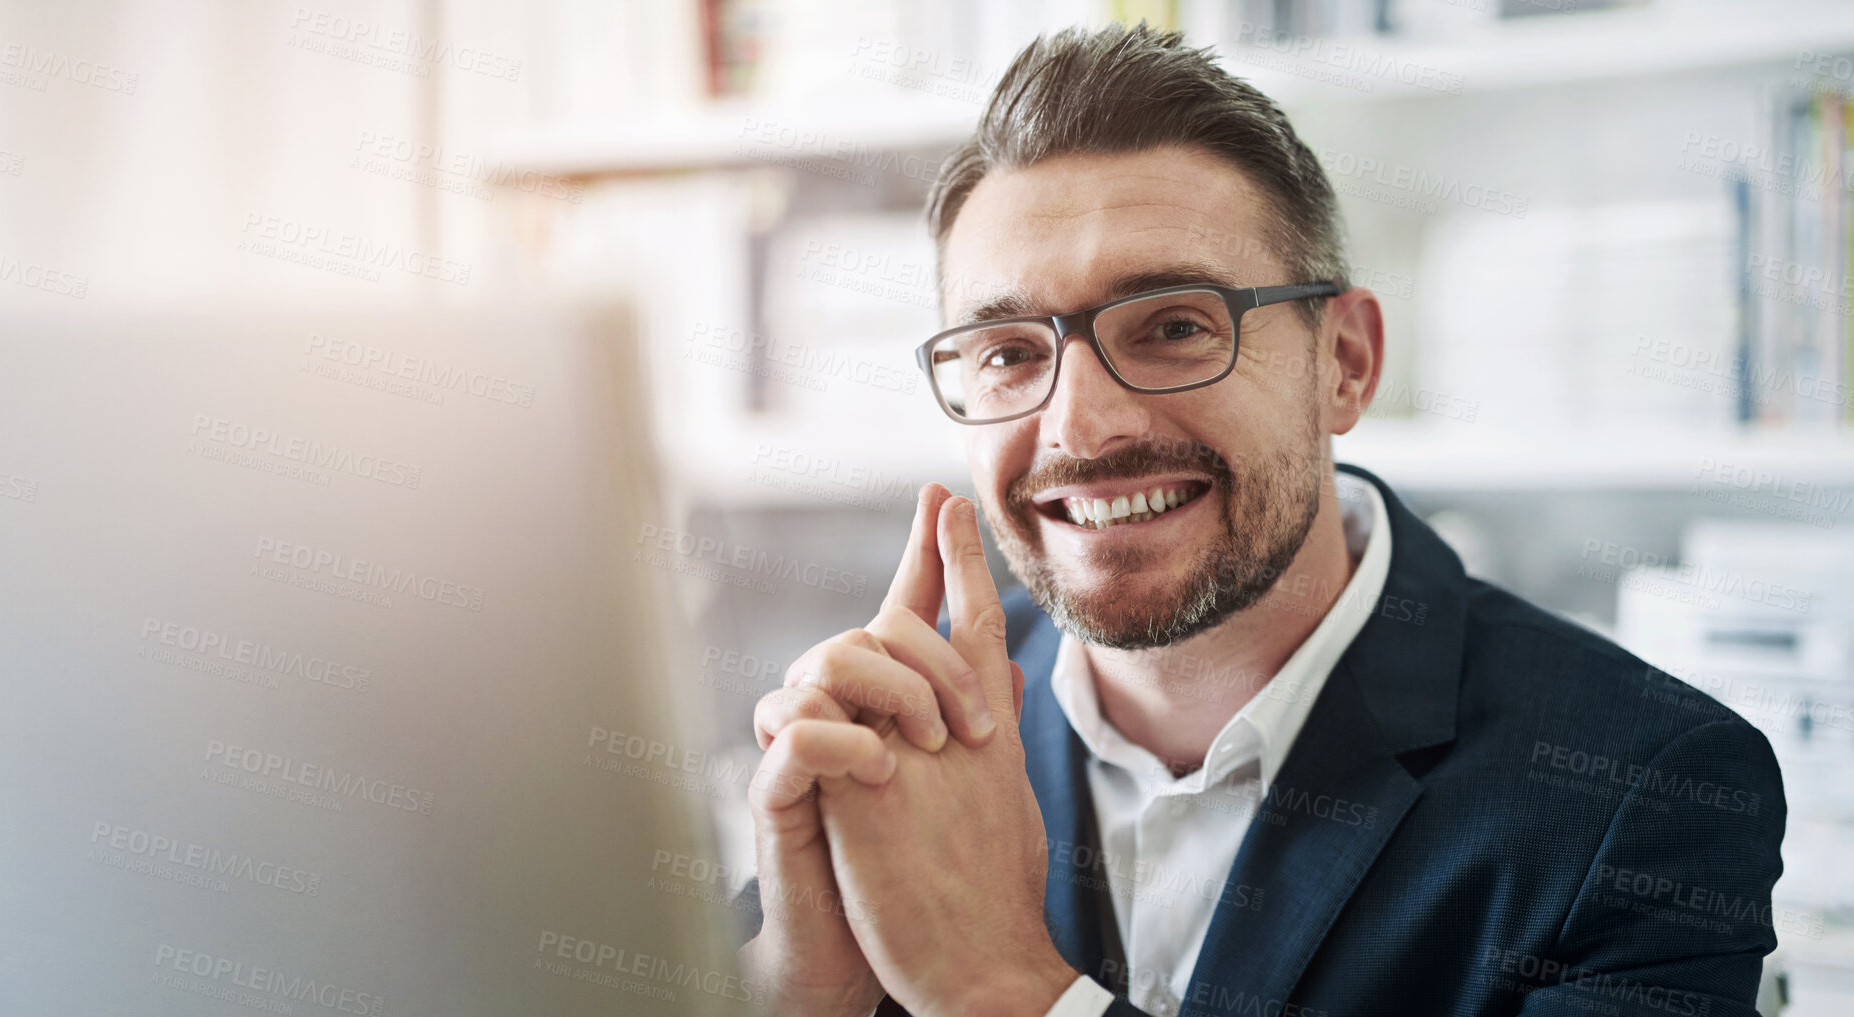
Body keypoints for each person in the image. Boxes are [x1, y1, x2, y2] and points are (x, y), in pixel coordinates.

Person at [735, 22, 1785, 1017]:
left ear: (1345, 363)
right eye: (1009, 352)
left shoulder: (1645, 789)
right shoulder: (895, 736)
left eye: (1176, 327)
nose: (1081, 425)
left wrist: (1009, 992)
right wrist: (796, 991)